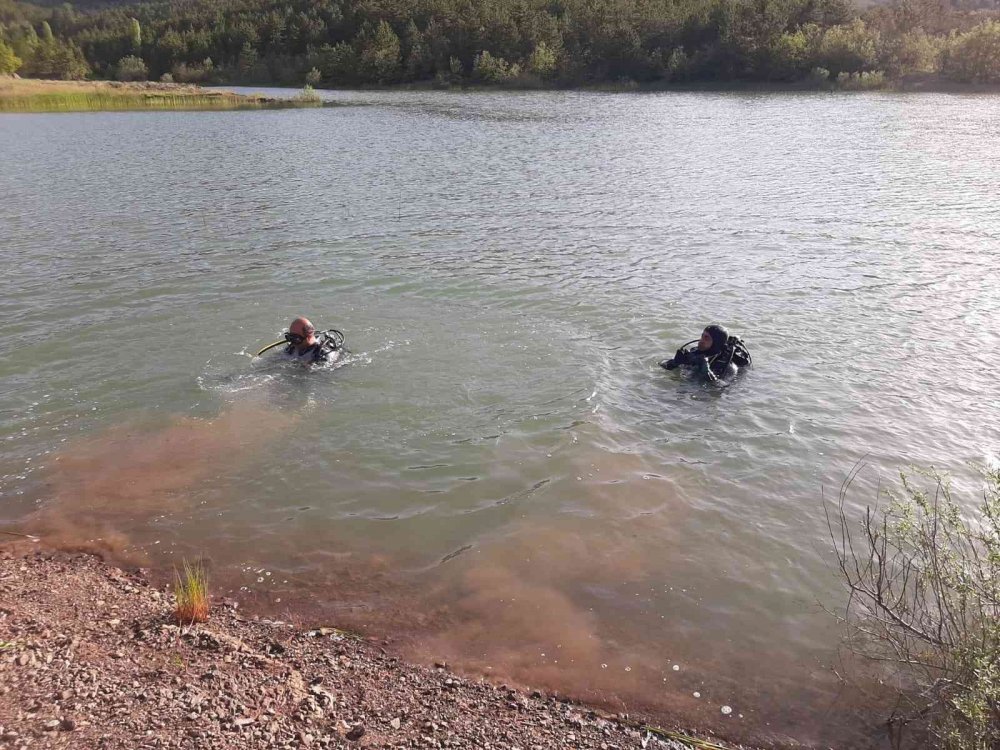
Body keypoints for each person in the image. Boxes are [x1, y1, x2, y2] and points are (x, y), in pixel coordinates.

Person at [659, 324, 750, 384]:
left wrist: (706, 370)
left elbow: (719, 387)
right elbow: (661, 365)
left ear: (716, 342)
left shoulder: (729, 367)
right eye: (702, 336)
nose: (701, 340)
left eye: (706, 338)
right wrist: (675, 362)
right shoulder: (695, 352)